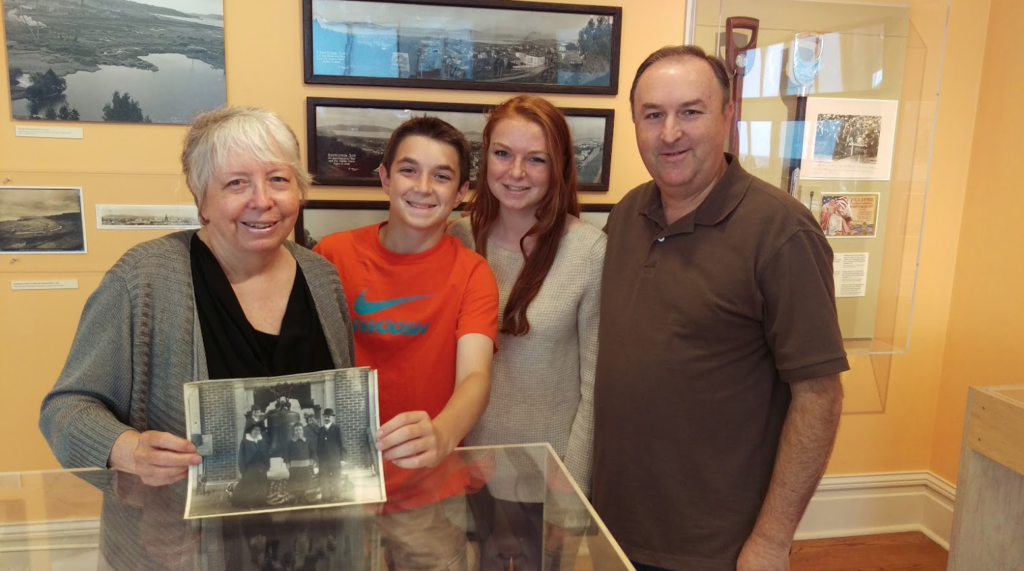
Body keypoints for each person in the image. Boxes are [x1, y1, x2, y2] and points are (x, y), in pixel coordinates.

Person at [591, 45, 848, 571]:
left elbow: (819, 396)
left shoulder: (781, 232)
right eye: (653, 115)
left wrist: (773, 540)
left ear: (728, 115)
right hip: (616, 526)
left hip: (716, 547)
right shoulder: (625, 216)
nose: (670, 134)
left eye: (690, 111)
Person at [38, 106, 356, 487]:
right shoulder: (143, 278)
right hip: (182, 539)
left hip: (312, 531)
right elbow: (65, 409)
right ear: (201, 200)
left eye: (278, 179)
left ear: (298, 190)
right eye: (236, 183)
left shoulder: (322, 277)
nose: (262, 199)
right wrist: (128, 449)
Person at [314, 116, 498, 571]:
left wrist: (443, 432)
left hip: (428, 490)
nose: (423, 187)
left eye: (442, 176)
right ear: (384, 178)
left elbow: (475, 376)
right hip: (340, 486)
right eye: (408, 170)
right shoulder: (332, 256)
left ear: (461, 194)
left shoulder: (473, 273)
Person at [448, 94, 603, 570]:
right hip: (466, 465)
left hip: (547, 472)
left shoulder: (588, 250)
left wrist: (569, 485)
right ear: (485, 155)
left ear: (559, 167)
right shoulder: (455, 237)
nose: (516, 172)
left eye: (536, 159)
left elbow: (595, 382)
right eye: (502, 154)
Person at [233, 424, 271, 508]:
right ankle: (248, 503)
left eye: (258, 430)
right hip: (250, 468)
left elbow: (267, 454)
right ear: (251, 431)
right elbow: (241, 456)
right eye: (255, 430)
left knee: (262, 486)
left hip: (261, 467)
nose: (257, 432)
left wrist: (267, 467)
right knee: (250, 486)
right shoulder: (245, 442)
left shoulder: (262, 441)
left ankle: (259, 502)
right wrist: (242, 469)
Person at [316, 408, 345, 502]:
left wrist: (343, 459)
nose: (327, 418)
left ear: (332, 418)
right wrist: (317, 460)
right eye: (325, 416)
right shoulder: (320, 430)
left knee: (336, 477)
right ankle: (326, 496)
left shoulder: (337, 429)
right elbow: (318, 445)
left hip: (334, 459)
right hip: (323, 460)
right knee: (324, 478)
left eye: (328, 416)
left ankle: (336, 495)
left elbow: (342, 444)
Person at [284, 423, 315, 504]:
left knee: (304, 482)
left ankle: (303, 497)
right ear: (294, 432)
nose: (298, 432)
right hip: (294, 467)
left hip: (305, 466)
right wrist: (287, 463)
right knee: (295, 483)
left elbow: (313, 452)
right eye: (296, 430)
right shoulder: (290, 442)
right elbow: (286, 454)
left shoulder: (307, 441)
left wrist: (312, 460)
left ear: (303, 431)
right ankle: (296, 498)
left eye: (300, 430)